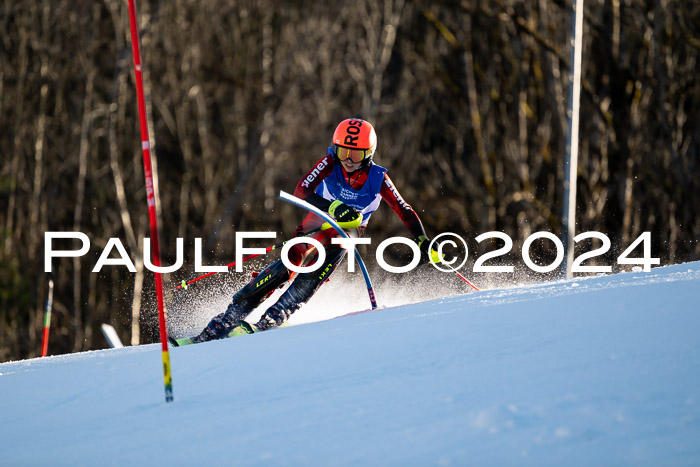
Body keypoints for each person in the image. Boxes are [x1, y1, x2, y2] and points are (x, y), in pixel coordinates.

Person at [182, 118, 441, 344]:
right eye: (343, 152)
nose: (348, 161)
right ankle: (229, 317)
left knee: (336, 243)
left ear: (369, 154)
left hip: (351, 228)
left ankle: (277, 314)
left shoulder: (378, 178)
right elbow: (301, 191)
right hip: (319, 217)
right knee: (294, 258)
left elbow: (404, 209)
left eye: (356, 155)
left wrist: (422, 241)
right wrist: (335, 207)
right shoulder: (330, 162)